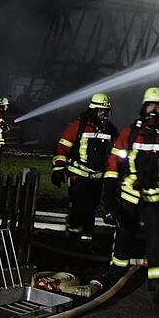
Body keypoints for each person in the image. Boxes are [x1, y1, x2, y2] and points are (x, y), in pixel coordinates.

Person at [102, 87, 159, 304]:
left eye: (158, 106)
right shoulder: (129, 133)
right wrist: (110, 200)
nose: (154, 110)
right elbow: (113, 165)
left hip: (156, 199)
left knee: (157, 243)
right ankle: (115, 275)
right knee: (123, 236)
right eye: (151, 105)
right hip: (130, 195)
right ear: (144, 107)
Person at [52, 93, 118, 243]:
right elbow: (62, 148)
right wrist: (58, 169)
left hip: (97, 178)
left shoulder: (111, 131)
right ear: (93, 110)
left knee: (91, 209)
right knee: (78, 206)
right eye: (102, 111)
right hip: (78, 176)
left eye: (107, 112)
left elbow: (117, 153)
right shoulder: (78, 126)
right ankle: (72, 239)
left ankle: (86, 241)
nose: (105, 115)